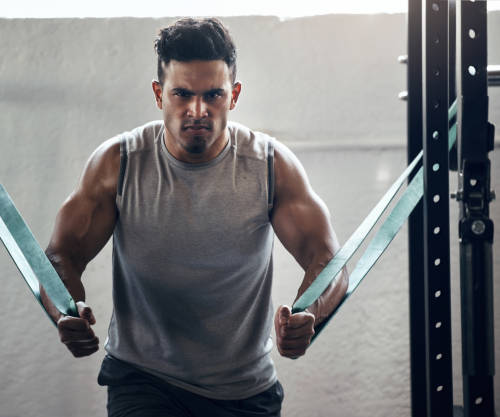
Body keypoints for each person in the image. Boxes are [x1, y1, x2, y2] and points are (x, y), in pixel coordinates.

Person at [41, 17, 348, 417]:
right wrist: (66, 310)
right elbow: (62, 255)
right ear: (159, 94)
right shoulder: (120, 163)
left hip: (244, 390)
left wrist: (310, 311)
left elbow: (328, 260)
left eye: (214, 95)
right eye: (182, 94)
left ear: (234, 95)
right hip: (143, 381)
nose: (197, 110)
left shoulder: (269, 165)